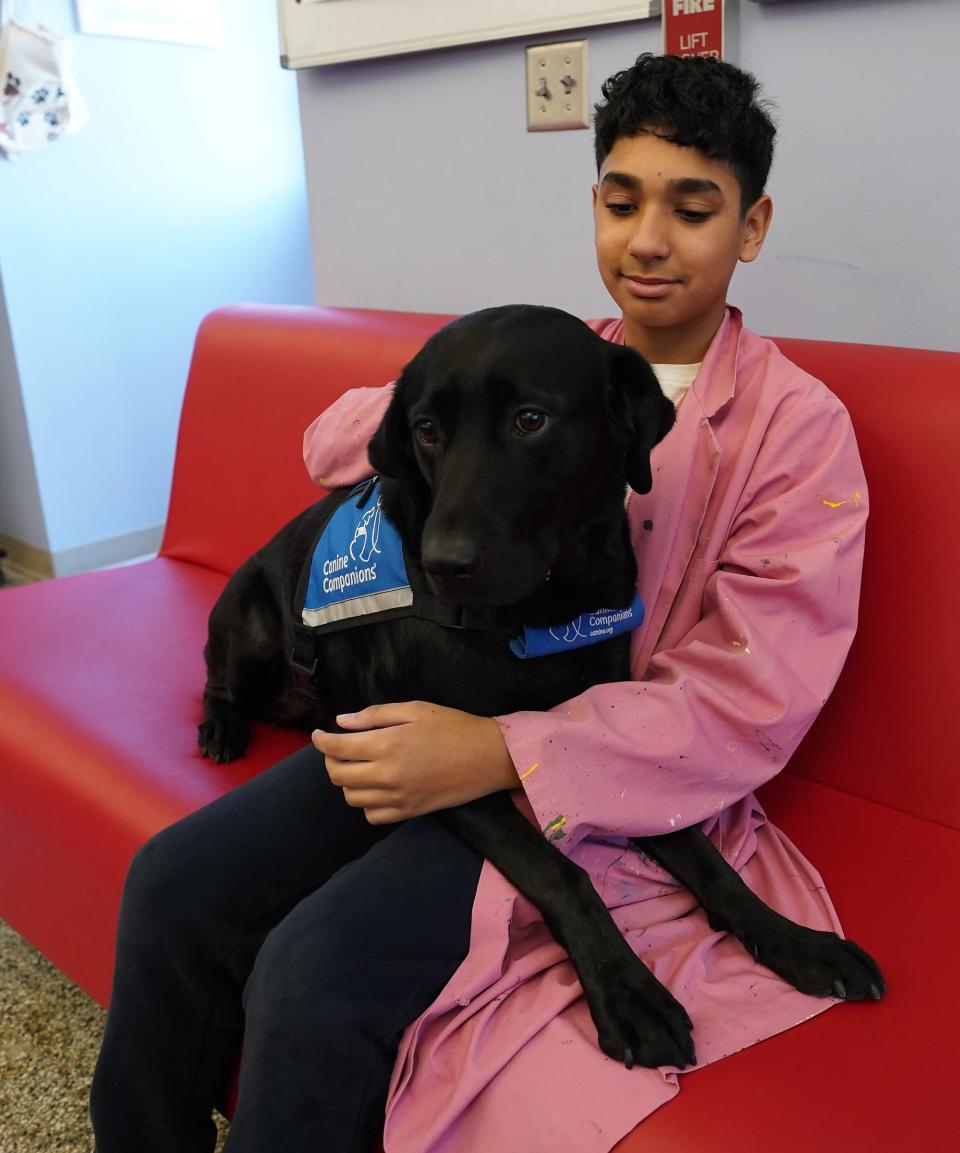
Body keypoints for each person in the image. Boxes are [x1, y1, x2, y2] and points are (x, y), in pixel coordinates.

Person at [90, 53, 867, 1153]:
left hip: (606, 771)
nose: (649, 238)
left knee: (312, 968)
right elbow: (336, 442)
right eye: (621, 199)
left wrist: (502, 754)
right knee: (170, 880)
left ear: (751, 224)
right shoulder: (538, 357)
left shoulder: (798, 433)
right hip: (437, 709)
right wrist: (441, 408)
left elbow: (750, 698)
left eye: (693, 207)